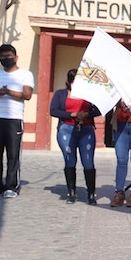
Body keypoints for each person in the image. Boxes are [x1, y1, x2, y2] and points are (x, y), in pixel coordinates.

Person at [49, 68, 101, 204]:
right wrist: (72, 114)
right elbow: (53, 110)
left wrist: (87, 114)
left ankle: (91, 193)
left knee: (88, 161)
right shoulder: (61, 94)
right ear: (68, 82)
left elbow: (99, 109)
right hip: (67, 128)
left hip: (86, 128)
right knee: (69, 160)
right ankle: (71, 192)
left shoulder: (90, 95)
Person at [0, 44, 33, 198]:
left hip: (14, 119)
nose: (6, 59)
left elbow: (27, 94)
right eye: (2, 57)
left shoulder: (25, 74)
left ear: (16, 57)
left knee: (13, 155)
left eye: (8, 56)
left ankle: (11, 186)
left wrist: (9, 92)